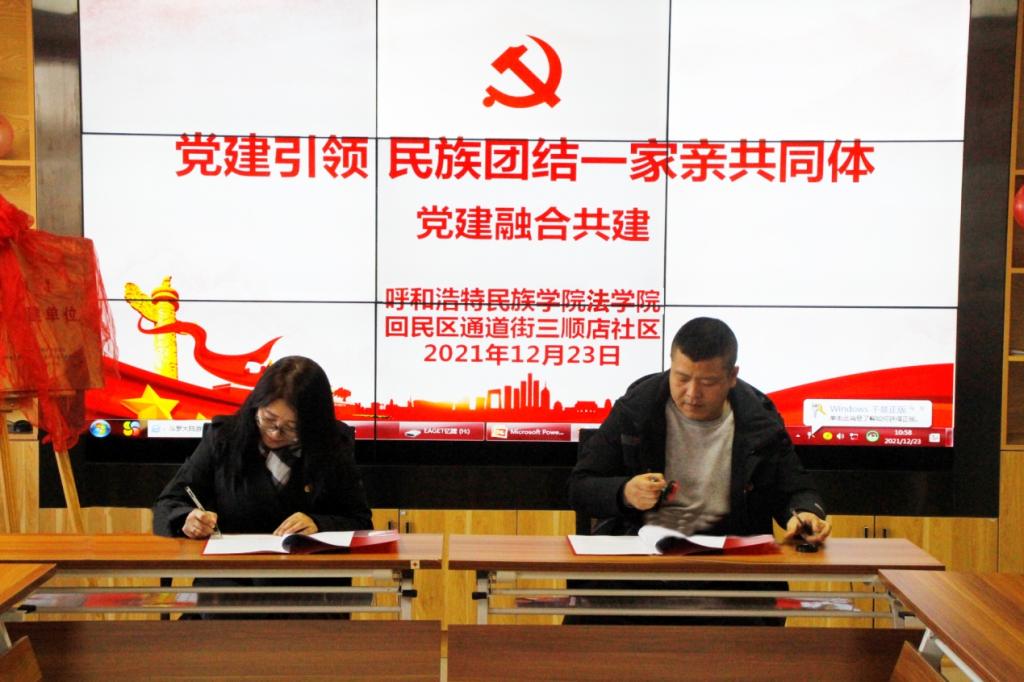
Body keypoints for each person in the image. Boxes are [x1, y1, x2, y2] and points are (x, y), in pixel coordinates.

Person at [567, 317, 831, 623]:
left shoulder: (759, 422)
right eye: (681, 378)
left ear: (732, 376)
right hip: (638, 573)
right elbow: (580, 487)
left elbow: (796, 489)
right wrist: (625, 492)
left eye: (708, 383)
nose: (692, 393)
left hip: (732, 578)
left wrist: (803, 514)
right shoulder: (637, 409)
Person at [153, 355, 373, 616]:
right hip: (228, 592)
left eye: (291, 428)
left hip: (308, 594)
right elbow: (167, 504)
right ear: (256, 406)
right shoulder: (223, 439)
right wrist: (187, 518)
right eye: (268, 419)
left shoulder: (332, 447)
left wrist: (319, 524)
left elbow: (360, 522)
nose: (275, 433)